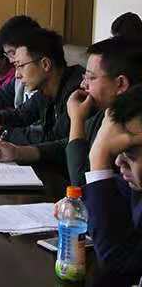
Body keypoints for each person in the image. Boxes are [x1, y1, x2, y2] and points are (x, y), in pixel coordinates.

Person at [0, 37, 142, 185]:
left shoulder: (132, 127)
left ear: (121, 84)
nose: (83, 85)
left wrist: (77, 120)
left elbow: (82, 186)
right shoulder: (106, 112)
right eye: (85, 77)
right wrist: (18, 152)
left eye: (91, 78)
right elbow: (65, 145)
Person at [0, 28, 84, 145]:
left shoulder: (76, 93)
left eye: (20, 66)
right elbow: (21, 115)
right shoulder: (46, 90)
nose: (17, 75)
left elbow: (53, 140)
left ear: (45, 64)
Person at [82, 85, 142, 276]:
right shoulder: (135, 187)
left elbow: (119, 266)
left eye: (130, 151)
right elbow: (117, 187)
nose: (118, 162)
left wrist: (99, 157)